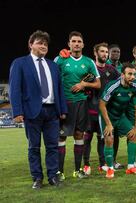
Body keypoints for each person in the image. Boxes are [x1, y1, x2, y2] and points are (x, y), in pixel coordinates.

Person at [9, 30, 67, 189]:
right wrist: (18, 112)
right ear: (30, 45)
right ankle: (37, 178)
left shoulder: (53, 65)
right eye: (40, 43)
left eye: (45, 44)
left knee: (52, 147)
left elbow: (59, 89)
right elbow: (15, 89)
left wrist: (62, 109)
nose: (43, 46)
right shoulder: (20, 63)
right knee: (34, 147)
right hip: (31, 111)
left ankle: (53, 176)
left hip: (52, 112)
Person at [54, 31, 101, 180]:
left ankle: (77, 170)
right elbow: (53, 79)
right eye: (73, 41)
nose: (76, 44)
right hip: (64, 103)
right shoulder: (60, 59)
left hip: (81, 103)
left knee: (79, 135)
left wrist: (83, 84)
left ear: (83, 44)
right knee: (61, 137)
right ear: (69, 44)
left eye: (79, 41)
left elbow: (98, 83)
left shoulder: (88, 62)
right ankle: (59, 172)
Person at [99, 62, 136, 178]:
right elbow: (102, 105)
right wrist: (108, 125)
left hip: (120, 116)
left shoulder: (135, 87)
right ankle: (110, 169)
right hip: (107, 116)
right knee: (109, 139)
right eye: (129, 74)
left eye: (134, 74)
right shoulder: (113, 86)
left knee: (134, 136)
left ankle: (131, 167)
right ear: (122, 75)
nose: (132, 77)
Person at [83, 42, 120, 175]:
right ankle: (86, 164)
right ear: (95, 53)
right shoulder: (90, 69)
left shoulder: (112, 70)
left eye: (106, 52)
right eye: (102, 51)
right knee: (87, 138)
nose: (104, 54)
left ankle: (102, 163)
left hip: (105, 111)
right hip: (90, 109)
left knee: (102, 138)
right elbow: (83, 86)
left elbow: (120, 84)